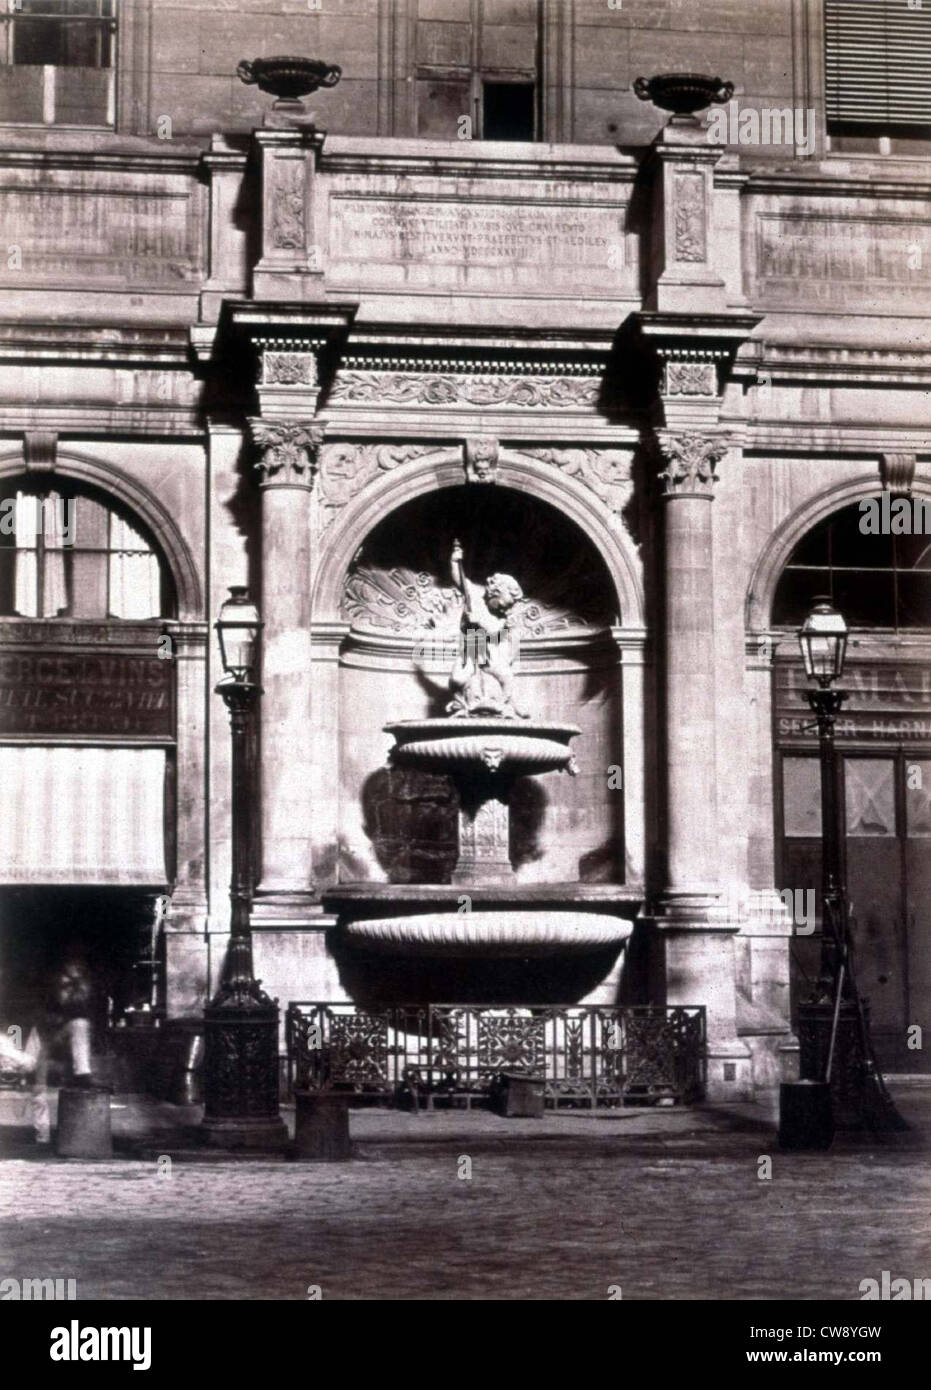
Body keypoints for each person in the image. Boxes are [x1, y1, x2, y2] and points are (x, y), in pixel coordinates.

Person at [447, 540, 528, 719]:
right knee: (456, 679)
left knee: (506, 677)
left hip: (490, 652)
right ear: (494, 592)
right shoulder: (474, 596)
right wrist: (455, 561)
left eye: (507, 608)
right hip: (472, 648)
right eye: (502, 605)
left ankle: (507, 705)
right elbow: (459, 579)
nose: (504, 610)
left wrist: (478, 622)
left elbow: (495, 634)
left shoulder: (501, 617)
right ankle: (459, 704)